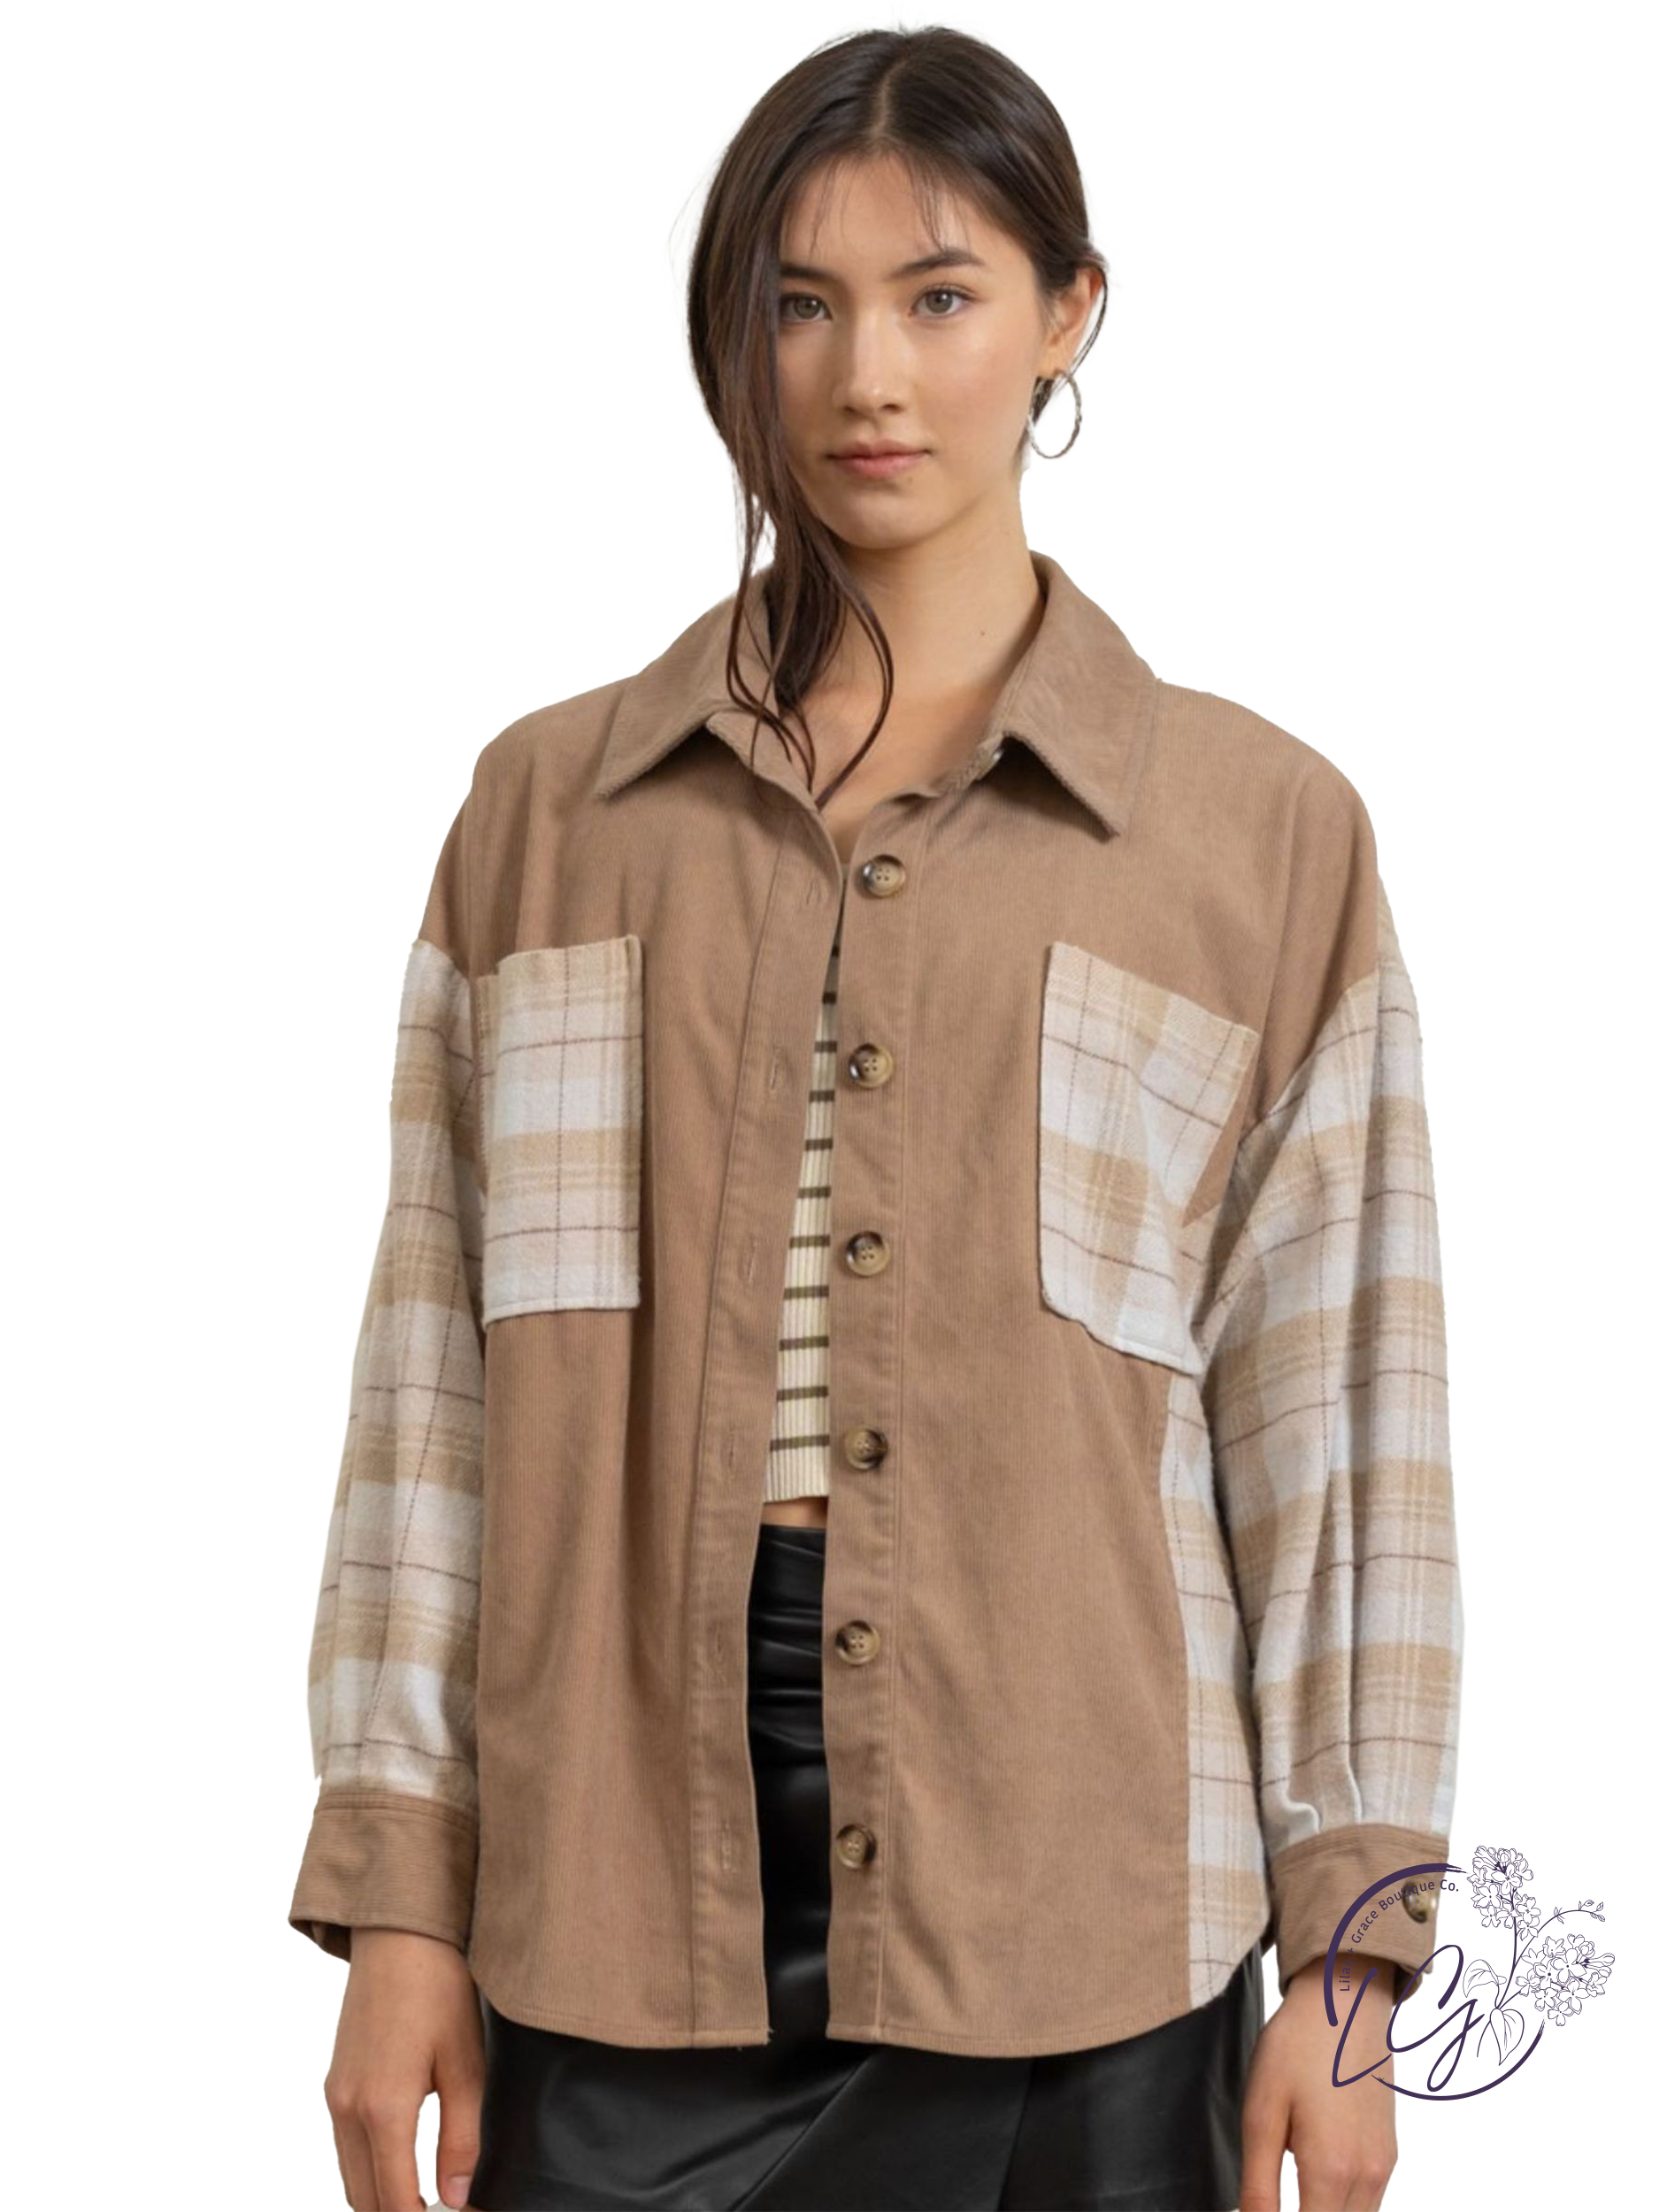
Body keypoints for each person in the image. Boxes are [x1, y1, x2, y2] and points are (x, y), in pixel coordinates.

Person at [290, 26, 1463, 2212]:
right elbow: (433, 1394)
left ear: (1069, 312)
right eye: (802, 303)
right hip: (613, 1869)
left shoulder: (1258, 836)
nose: (870, 378)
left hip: (1085, 1886)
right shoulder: (550, 816)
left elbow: (1342, 1426)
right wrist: (397, 1895)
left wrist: (1353, 1949)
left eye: (941, 296)